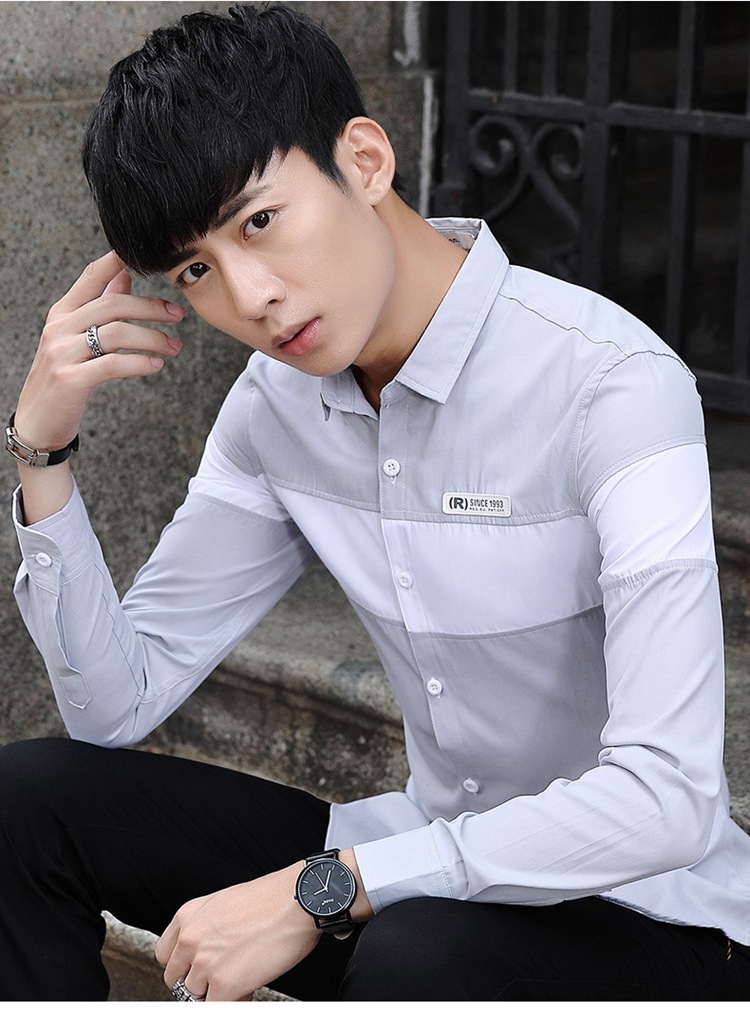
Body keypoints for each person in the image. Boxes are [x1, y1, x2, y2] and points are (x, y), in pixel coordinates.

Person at [3, 2, 750, 1001]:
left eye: (259, 221)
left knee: (418, 954)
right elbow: (114, 705)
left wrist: (329, 888)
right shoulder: (276, 407)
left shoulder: (609, 384)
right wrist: (43, 449)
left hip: (654, 915)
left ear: (363, 160)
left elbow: (669, 799)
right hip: (420, 873)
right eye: (196, 270)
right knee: (26, 802)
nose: (249, 298)